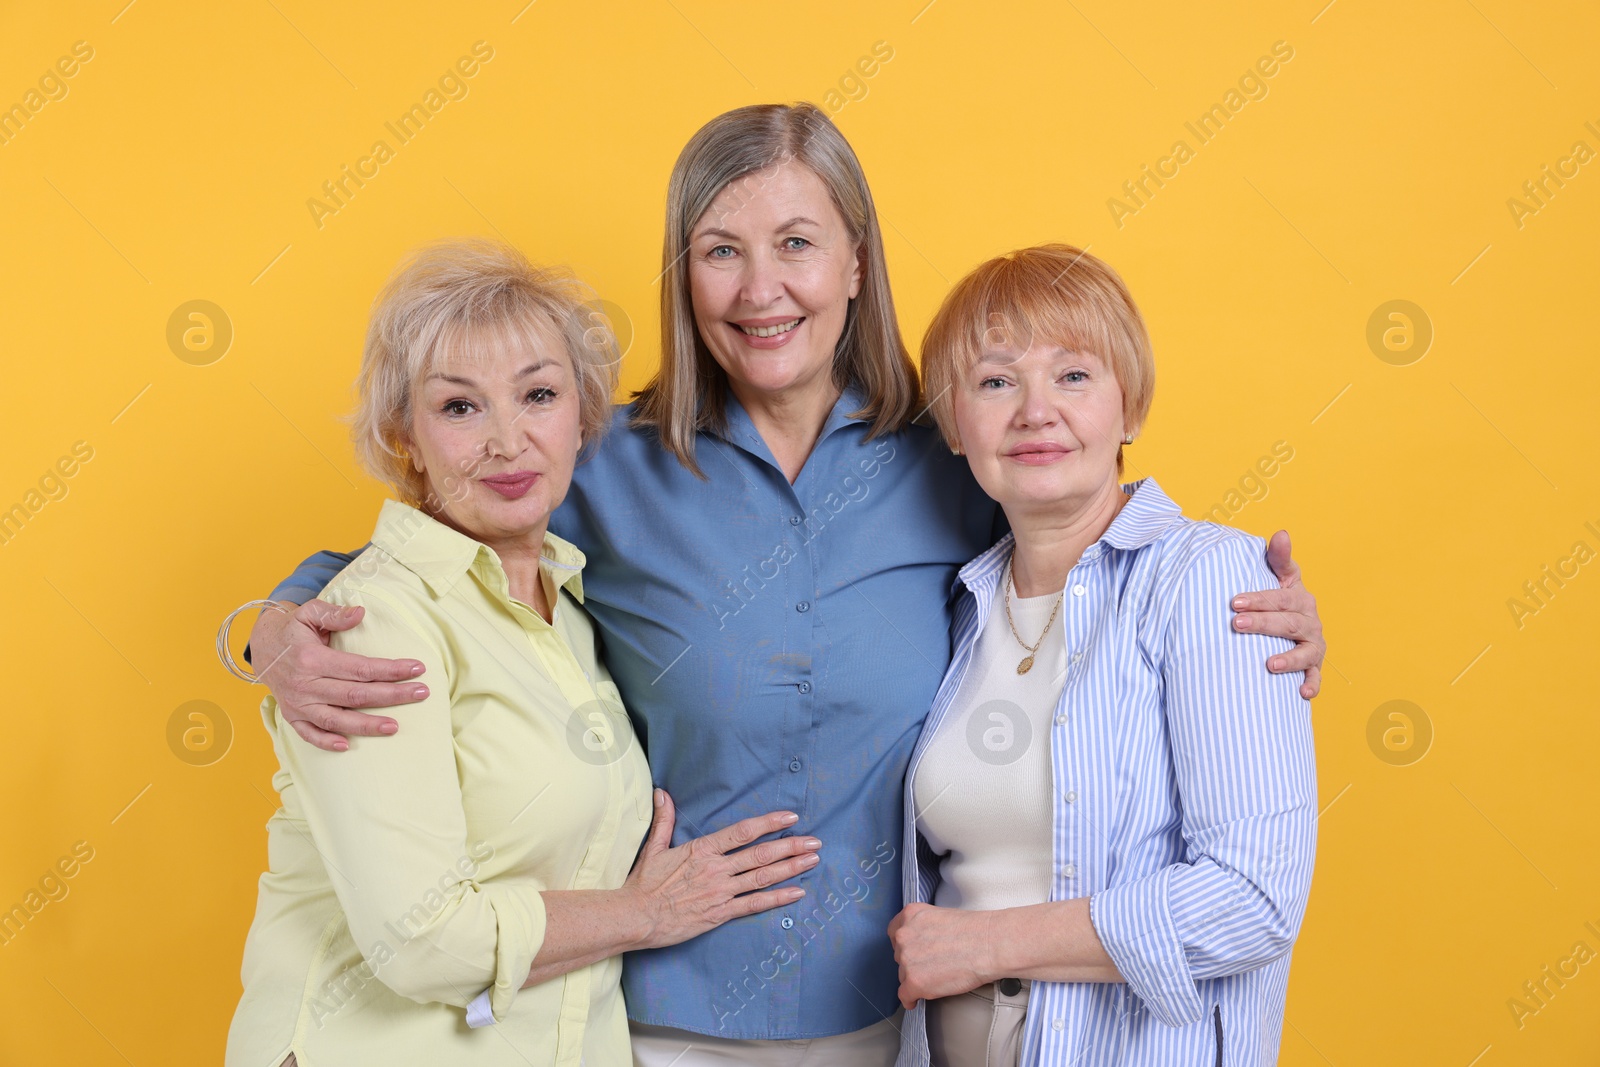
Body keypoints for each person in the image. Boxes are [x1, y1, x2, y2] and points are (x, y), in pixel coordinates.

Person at [238, 104, 1325, 1065]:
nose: (762, 289)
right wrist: (275, 627)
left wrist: (1249, 622)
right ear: (682, 272)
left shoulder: (954, 462)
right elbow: (432, 553)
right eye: (721, 251)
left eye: (796, 244)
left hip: (887, 1013)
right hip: (653, 1013)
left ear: (856, 261)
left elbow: (1092, 540)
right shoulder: (598, 461)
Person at [226, 240, 818, 1067]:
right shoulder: (375, 623)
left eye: (538, 394)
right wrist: (647, 912)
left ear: (585, 418)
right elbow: (422, 938)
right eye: (460, 407)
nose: (507, 440)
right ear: (405, 432)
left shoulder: (567, 607)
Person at [888, 245, 1318, 1066]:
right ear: (953, 424)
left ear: (1132, 408)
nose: (1035, 410)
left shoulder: (1208, 579)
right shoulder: (960, 607)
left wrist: (984, 945)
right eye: (994, 380)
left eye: (1074, 375)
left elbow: (1254, 899)